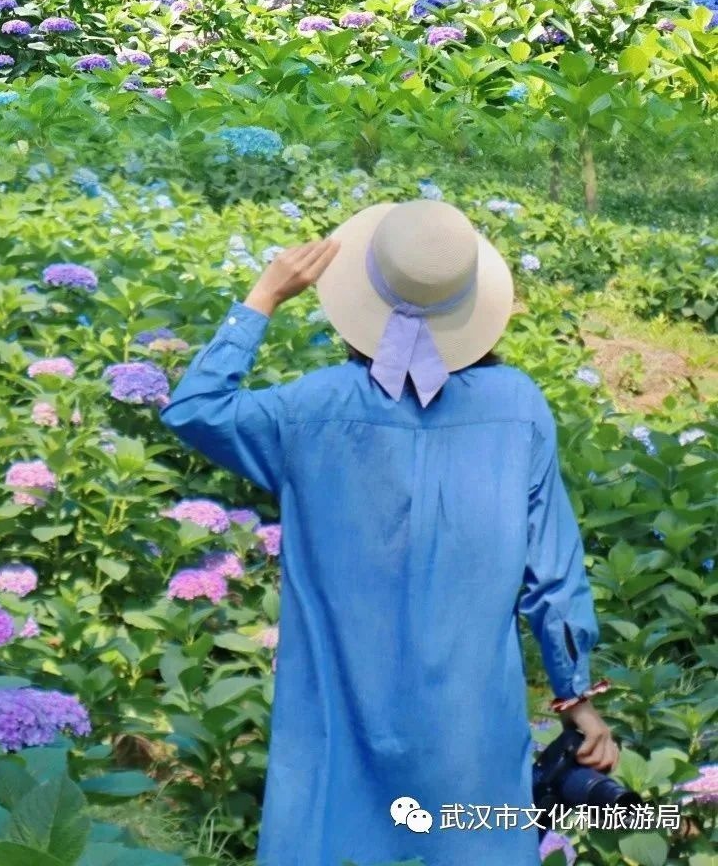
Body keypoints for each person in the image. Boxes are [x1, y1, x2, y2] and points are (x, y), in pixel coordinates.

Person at [160, 198, 619, 866]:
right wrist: (576, 699)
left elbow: (195, 409)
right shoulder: (518, 407)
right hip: (470, 733)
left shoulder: (309, 409)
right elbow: (552, 574)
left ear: (358, 302)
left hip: (334, 724)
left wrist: (263, 296)